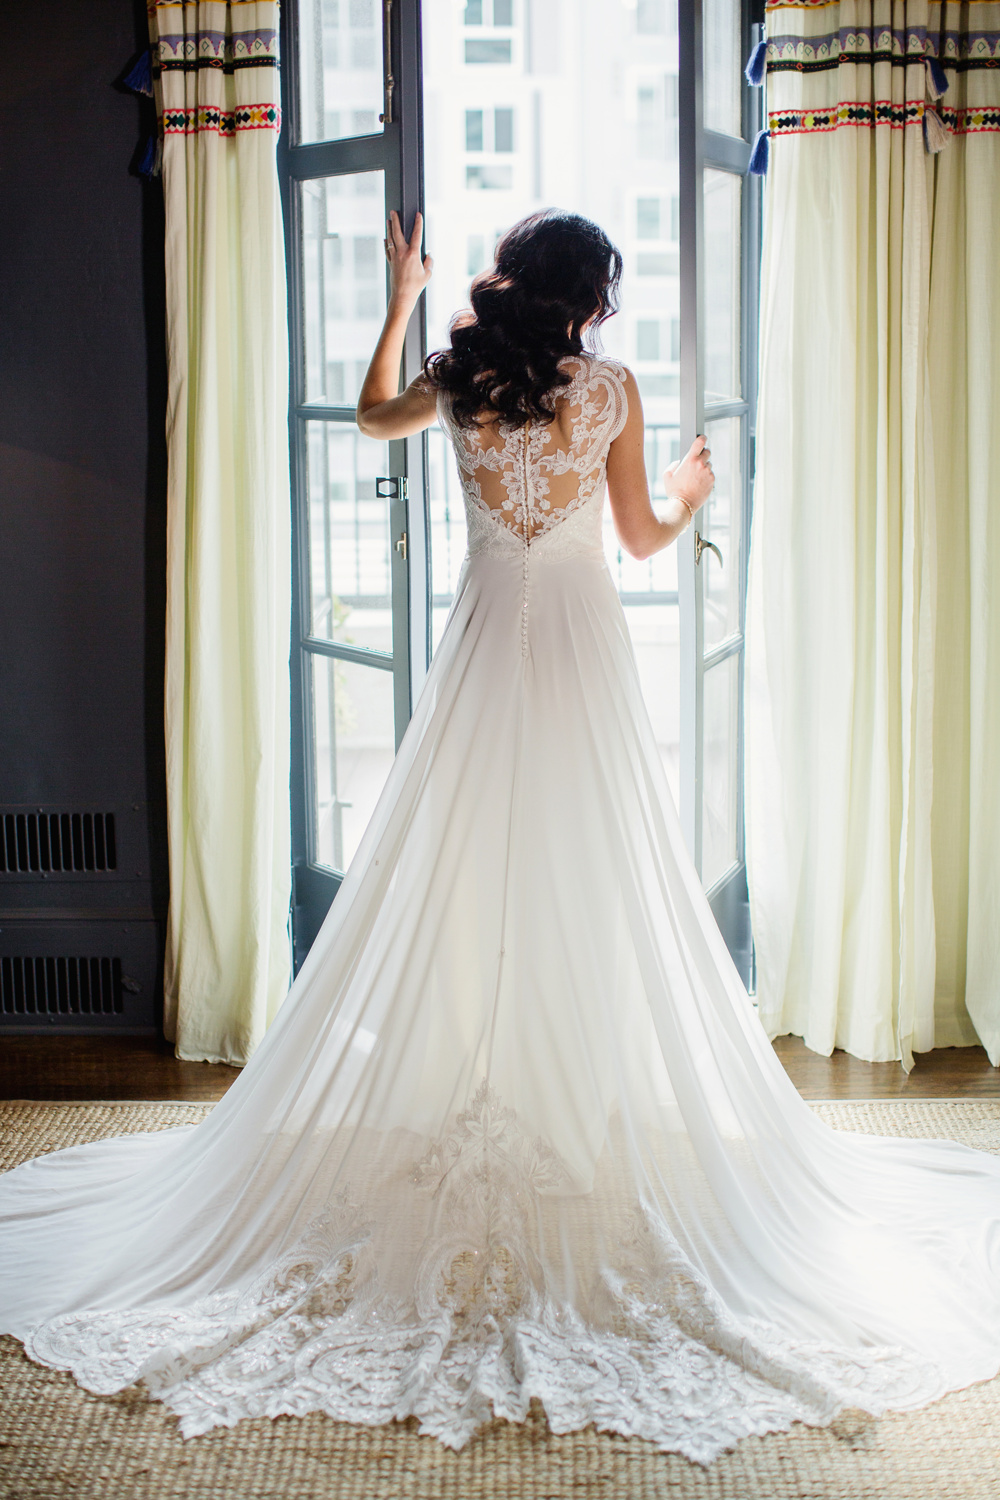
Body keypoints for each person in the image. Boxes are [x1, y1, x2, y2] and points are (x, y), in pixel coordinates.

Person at [2, 209, 1000, 1466]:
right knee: (591, 866)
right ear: (590, 299)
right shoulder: (614, 389)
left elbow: (368, 419)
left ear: (511, 283)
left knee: (466, 860)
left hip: (485, 644)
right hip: (579, 649)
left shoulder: (459, 377)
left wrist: (404, 296)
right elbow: (635, 539)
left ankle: (495, 1075)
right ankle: (571, 1088)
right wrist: (691, 487)